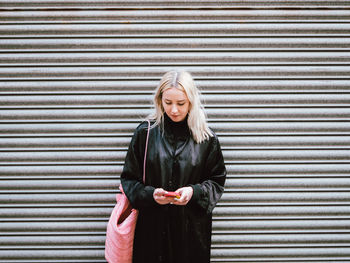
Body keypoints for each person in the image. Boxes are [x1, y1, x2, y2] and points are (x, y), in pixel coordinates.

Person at [120, 70, 227, 263]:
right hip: (151, 234)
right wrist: (151, 195)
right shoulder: (145, 134)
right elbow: (129, 180)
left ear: (191, 102)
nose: (174, 110)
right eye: (168, 103)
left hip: (191, 237)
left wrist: (193, 192)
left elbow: (216, 182)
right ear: (160, 100)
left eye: (181, 103)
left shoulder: (206, 138)